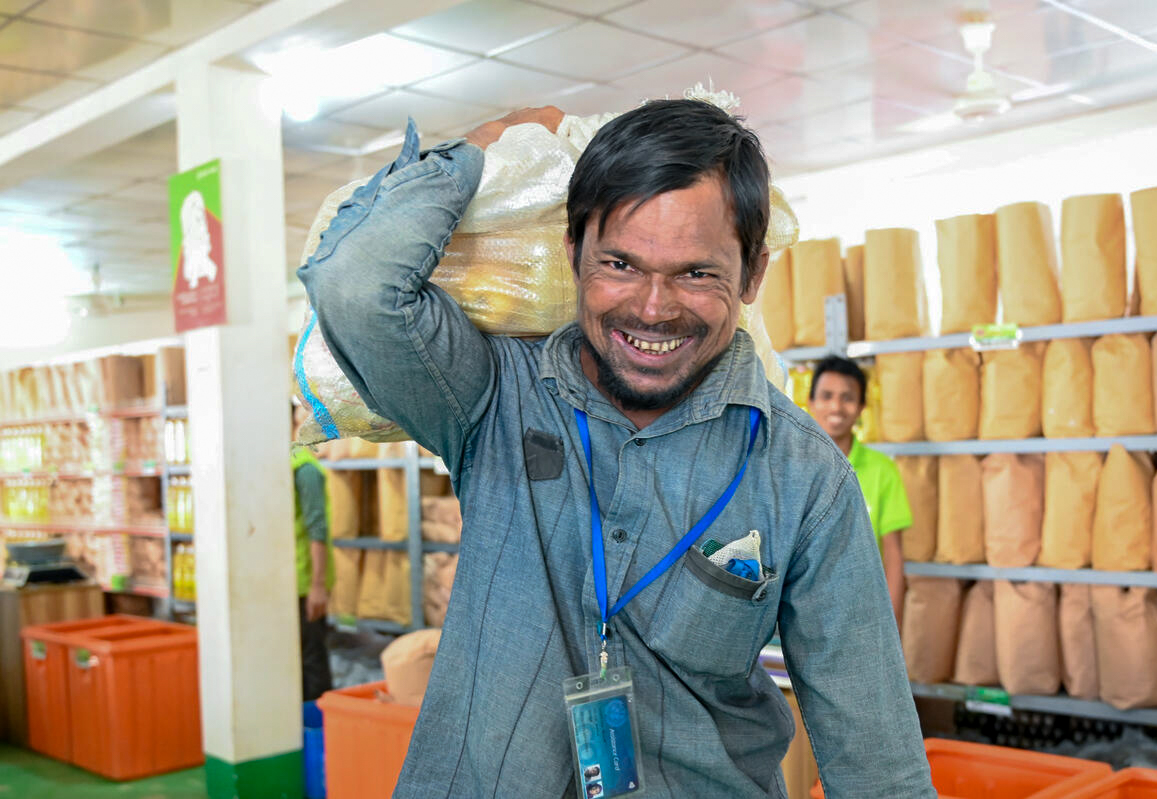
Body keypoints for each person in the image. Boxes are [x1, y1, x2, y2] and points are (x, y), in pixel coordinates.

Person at [299, 100, 933, 797]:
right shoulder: (495, 397)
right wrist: (478, 150)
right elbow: (356, 288)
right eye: (621, 263)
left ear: (752, 275)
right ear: (574, 255)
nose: (653, 307)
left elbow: (876, 758)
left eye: (696, 273)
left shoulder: (805, 476)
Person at [807, 356, 912, 626]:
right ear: (810, 402)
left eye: (848, 397)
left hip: (861, 615)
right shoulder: (791, 467)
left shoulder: (882, 470)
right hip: (802, 614)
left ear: (862, 407)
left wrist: (891, 625)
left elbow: (893, 557)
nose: (836, 406)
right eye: (826, 395)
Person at [292, 403, 334, 701]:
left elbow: (316, 528)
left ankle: (317, 736)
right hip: (289, 582)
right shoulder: (283, 464)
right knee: (295, 664)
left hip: (306, 583)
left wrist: (318, 586)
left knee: (312, 662)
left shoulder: (304, 467)